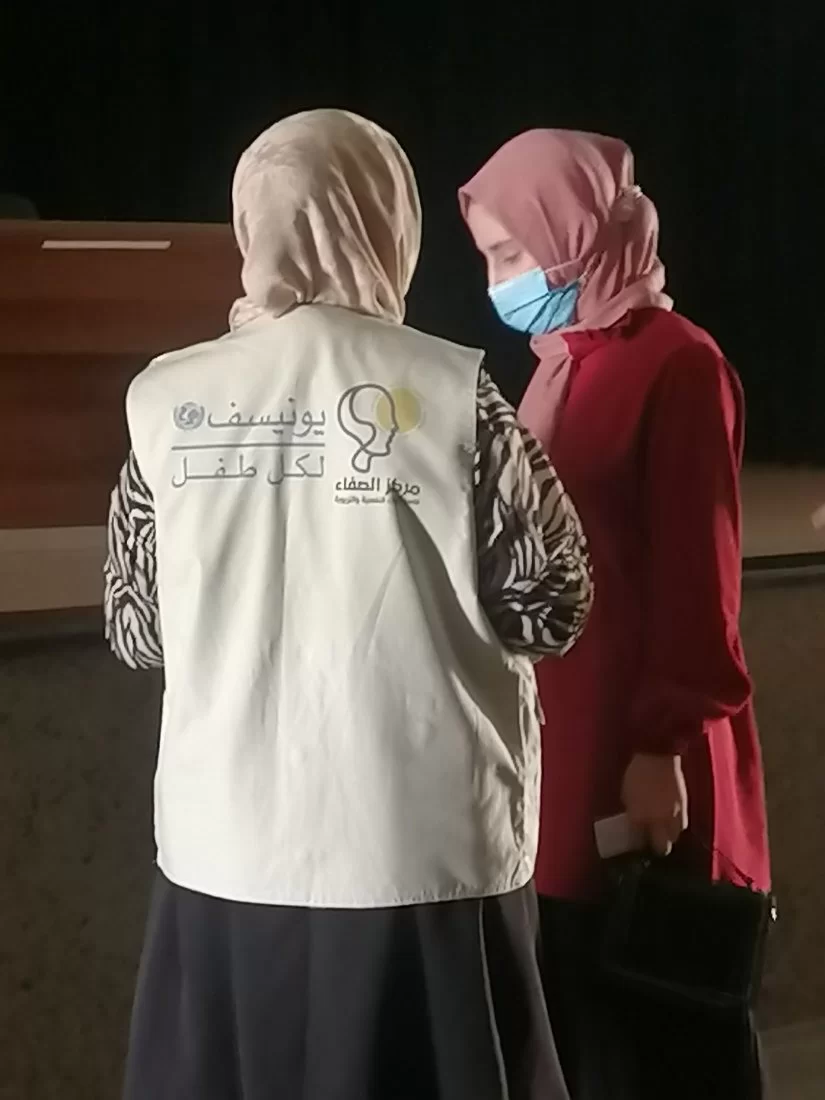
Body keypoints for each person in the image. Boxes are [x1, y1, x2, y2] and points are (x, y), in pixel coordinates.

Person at [103, 109, 593, 1100]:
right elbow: (551, 602)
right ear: (386, 220)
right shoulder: (456, 394)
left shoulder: (165, 400)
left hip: (226, 847)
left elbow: (135, 628)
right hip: (419, 854)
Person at [459, 129, 771, 1100]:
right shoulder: (559, 364)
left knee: (663, 1012)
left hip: (640, 752)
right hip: (563, 743)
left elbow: (698, 576)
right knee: (582, 1014)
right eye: (488, 258)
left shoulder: (678, 364)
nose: (501, 280)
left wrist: (658, 743)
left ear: (578, 234)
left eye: (513, 252)